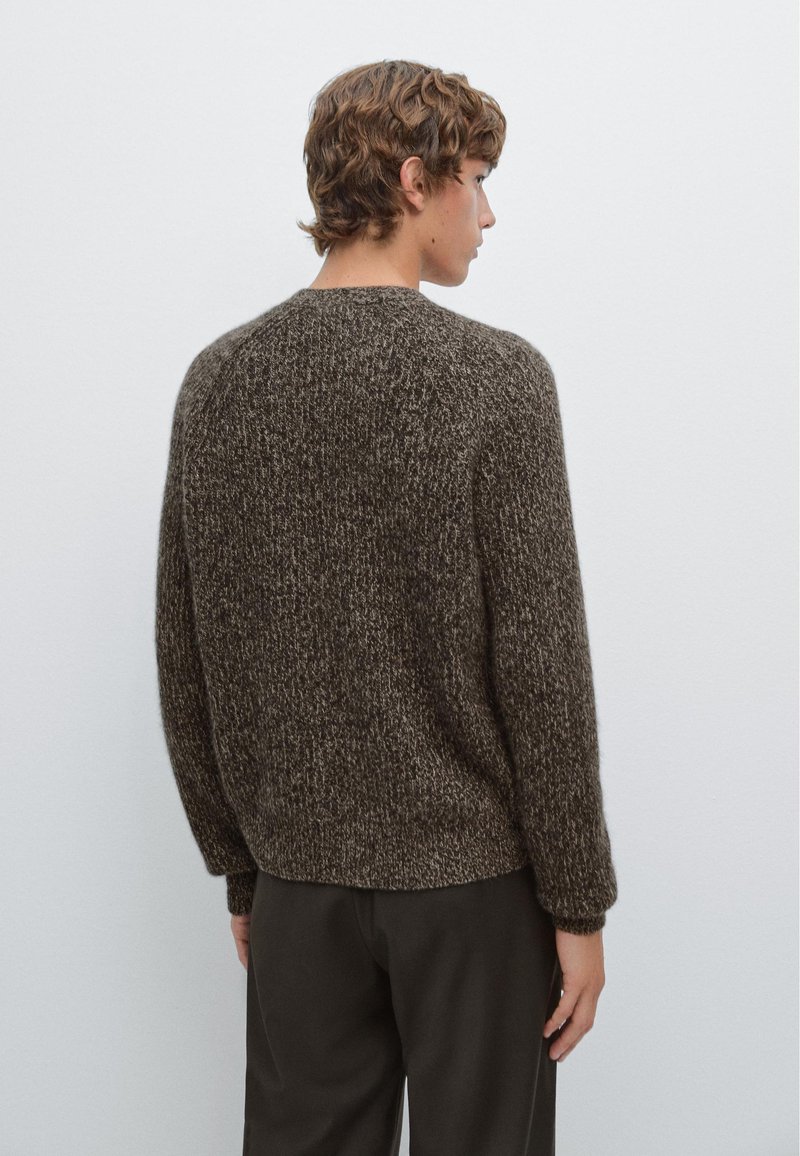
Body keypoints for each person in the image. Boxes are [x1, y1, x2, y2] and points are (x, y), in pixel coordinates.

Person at [155, 58, 618, 1156]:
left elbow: (186, 651)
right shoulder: (496, 381)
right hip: (473, 894)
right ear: (415, 181)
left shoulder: (220, 380)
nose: (487, 214)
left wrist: (243, 865)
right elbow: (541, 668)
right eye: (476, 180)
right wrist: (578, 905)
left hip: (297, 890)